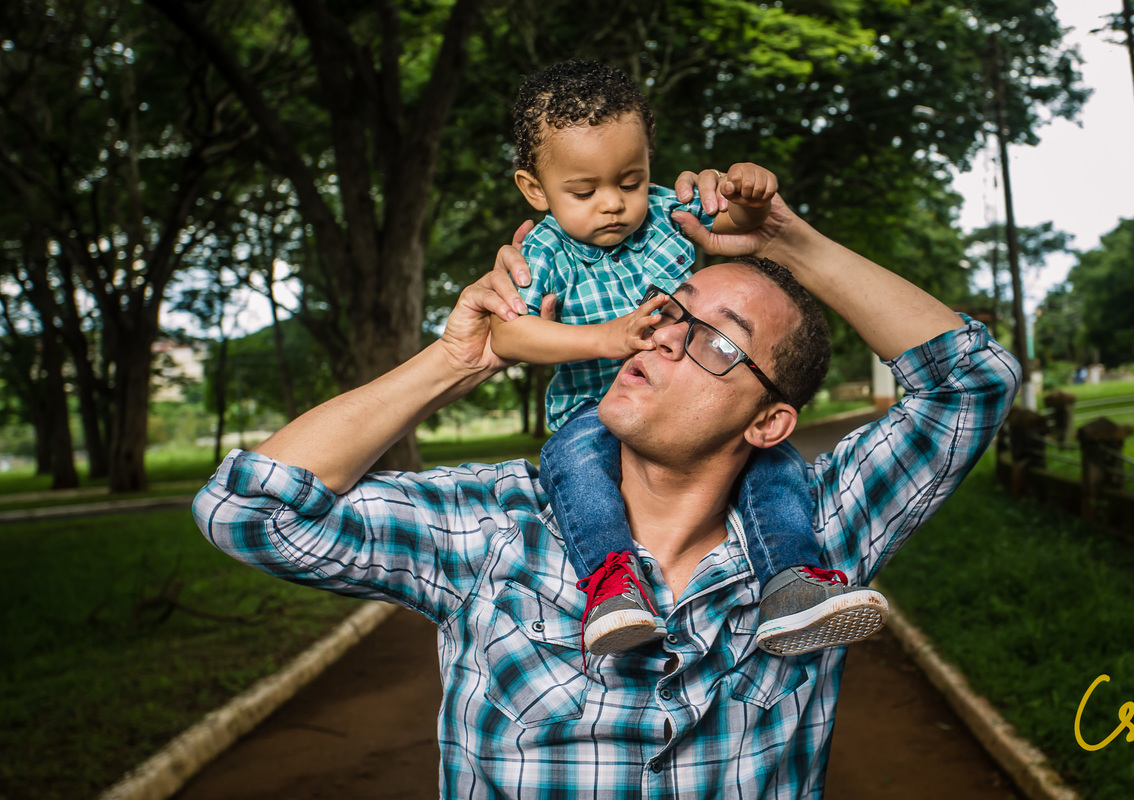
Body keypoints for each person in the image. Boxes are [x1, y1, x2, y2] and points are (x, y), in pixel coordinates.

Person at [192, 173, 1019, 798]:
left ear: (768, 424)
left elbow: (971, 381)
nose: (663, 339)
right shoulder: (496, 526)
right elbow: (248, 508)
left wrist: (786, 240)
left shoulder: (823, 536)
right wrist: (454, 362)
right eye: (671, 310)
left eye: (717, 345)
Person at [490, 59, 886, 660]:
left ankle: (791, 584)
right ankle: (612, 587)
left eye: (628, 180)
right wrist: (606, 337)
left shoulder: (662, 216)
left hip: (679, 401)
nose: (613, 205)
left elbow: (743, 222)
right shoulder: (544, 251)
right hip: (591, 411)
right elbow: (512, 337)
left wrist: (751, 193)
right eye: (584, 191)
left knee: (772, 465)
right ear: (535, 189)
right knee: (577, 468)